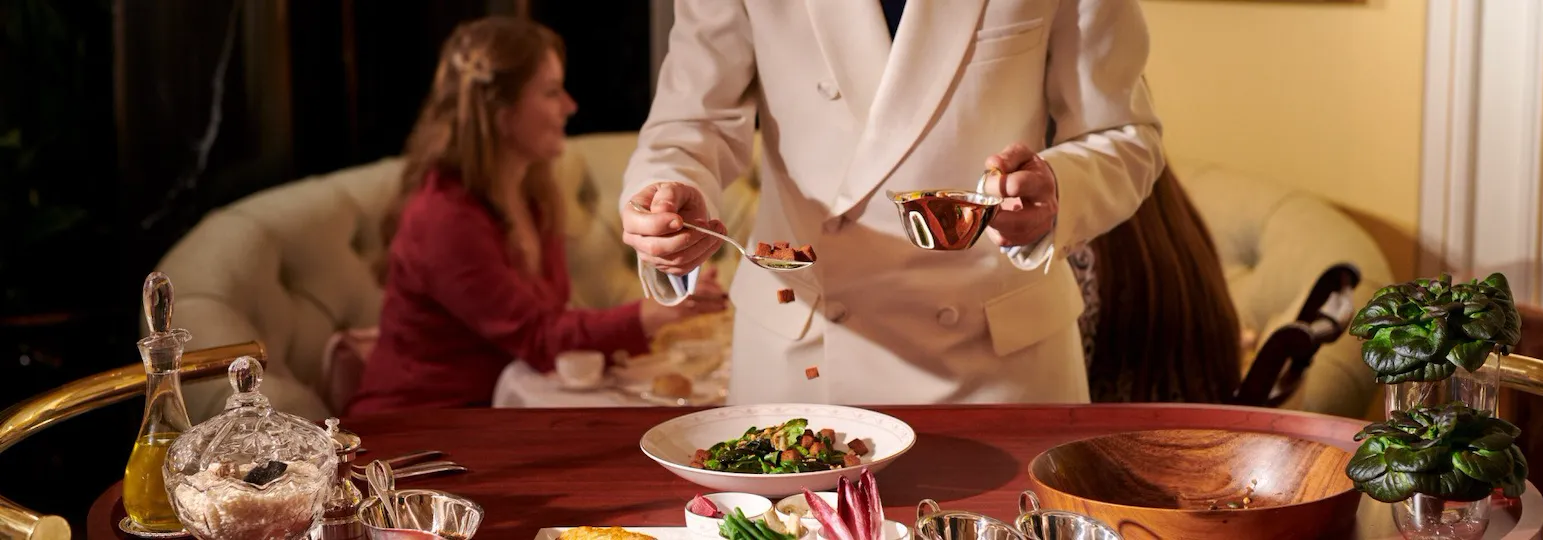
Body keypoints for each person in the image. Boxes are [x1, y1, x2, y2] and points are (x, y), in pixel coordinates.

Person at [620, 1, 1163, 404]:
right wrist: (667, 188)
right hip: (805, 361)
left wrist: (1059, 192)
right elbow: (691, 121)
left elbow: (1125, 134)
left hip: (996, 370)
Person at [348, 17, 726, 415]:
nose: (569, 105)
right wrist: (650, 315)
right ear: (500, 112)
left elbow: (545, 324)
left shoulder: (533, 193)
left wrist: (659, 310)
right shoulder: (443, 216)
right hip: (417, 425)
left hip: (489, 414)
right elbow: (537, 338)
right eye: (551, 92)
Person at [1072, 166, 1243, 403]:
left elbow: (1055, 383)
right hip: (1205, 425)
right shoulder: (1176, 220)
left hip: (1135, 434)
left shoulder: (1082, 249)